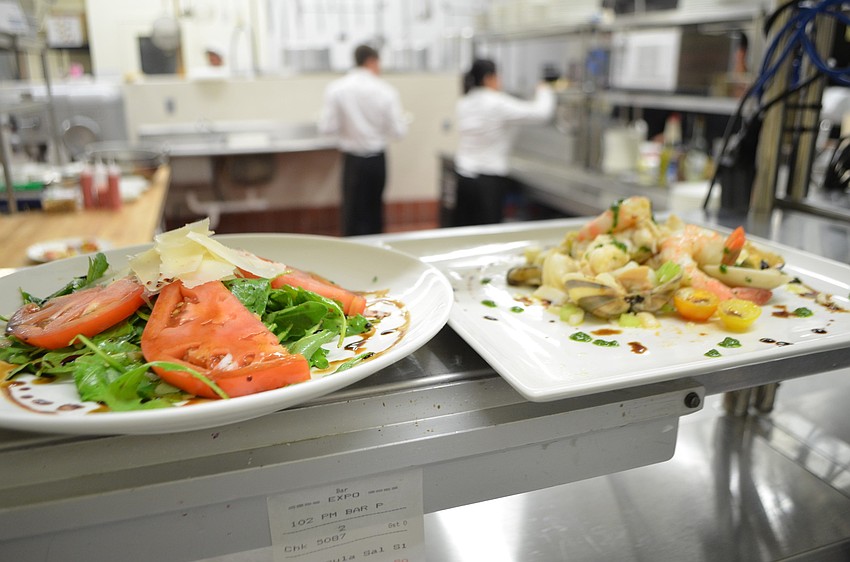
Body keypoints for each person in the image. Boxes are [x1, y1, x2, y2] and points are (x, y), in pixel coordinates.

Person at [319, 44, 408, 236]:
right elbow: (398, 132)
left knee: (352, 212)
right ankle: (375, 257)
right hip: (377, 160)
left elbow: (327, 128)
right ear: (371, 61)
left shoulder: (337, 89)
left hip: (353, 161)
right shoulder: (386, 91)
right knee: (374, 210)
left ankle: (350, 258)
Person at [453, 58, 555, 226]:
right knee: (488, 236)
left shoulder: (464, 102)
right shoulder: (496, 102)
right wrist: (545, 90)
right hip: (487, 181)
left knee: (465, 232)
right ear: (488, 78)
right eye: (498, 76)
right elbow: (541, 114)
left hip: (464, 177)